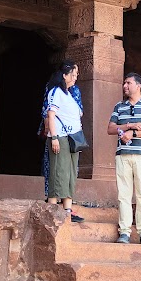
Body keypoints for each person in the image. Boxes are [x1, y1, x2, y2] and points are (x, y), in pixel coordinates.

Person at [107, 72, 141, 243]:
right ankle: (125, 232)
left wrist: (134, 133)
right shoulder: (119, 106)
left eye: (128, 83)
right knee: (124, 195)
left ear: (138, 85)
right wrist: (128, 126)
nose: (125, 86)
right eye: (124, 83)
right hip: (123, 155)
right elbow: (110, 128)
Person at [42, 62, 84, 224]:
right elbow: (51, 115)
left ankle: (67, 209)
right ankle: (52, 207)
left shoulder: (69, 93)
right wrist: (54, 137)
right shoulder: (56, 92)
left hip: (73, 137)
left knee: (71, 172)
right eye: (72, 75)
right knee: (58, 170)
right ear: (64, 75)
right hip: (60, 136)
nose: (75, 78)